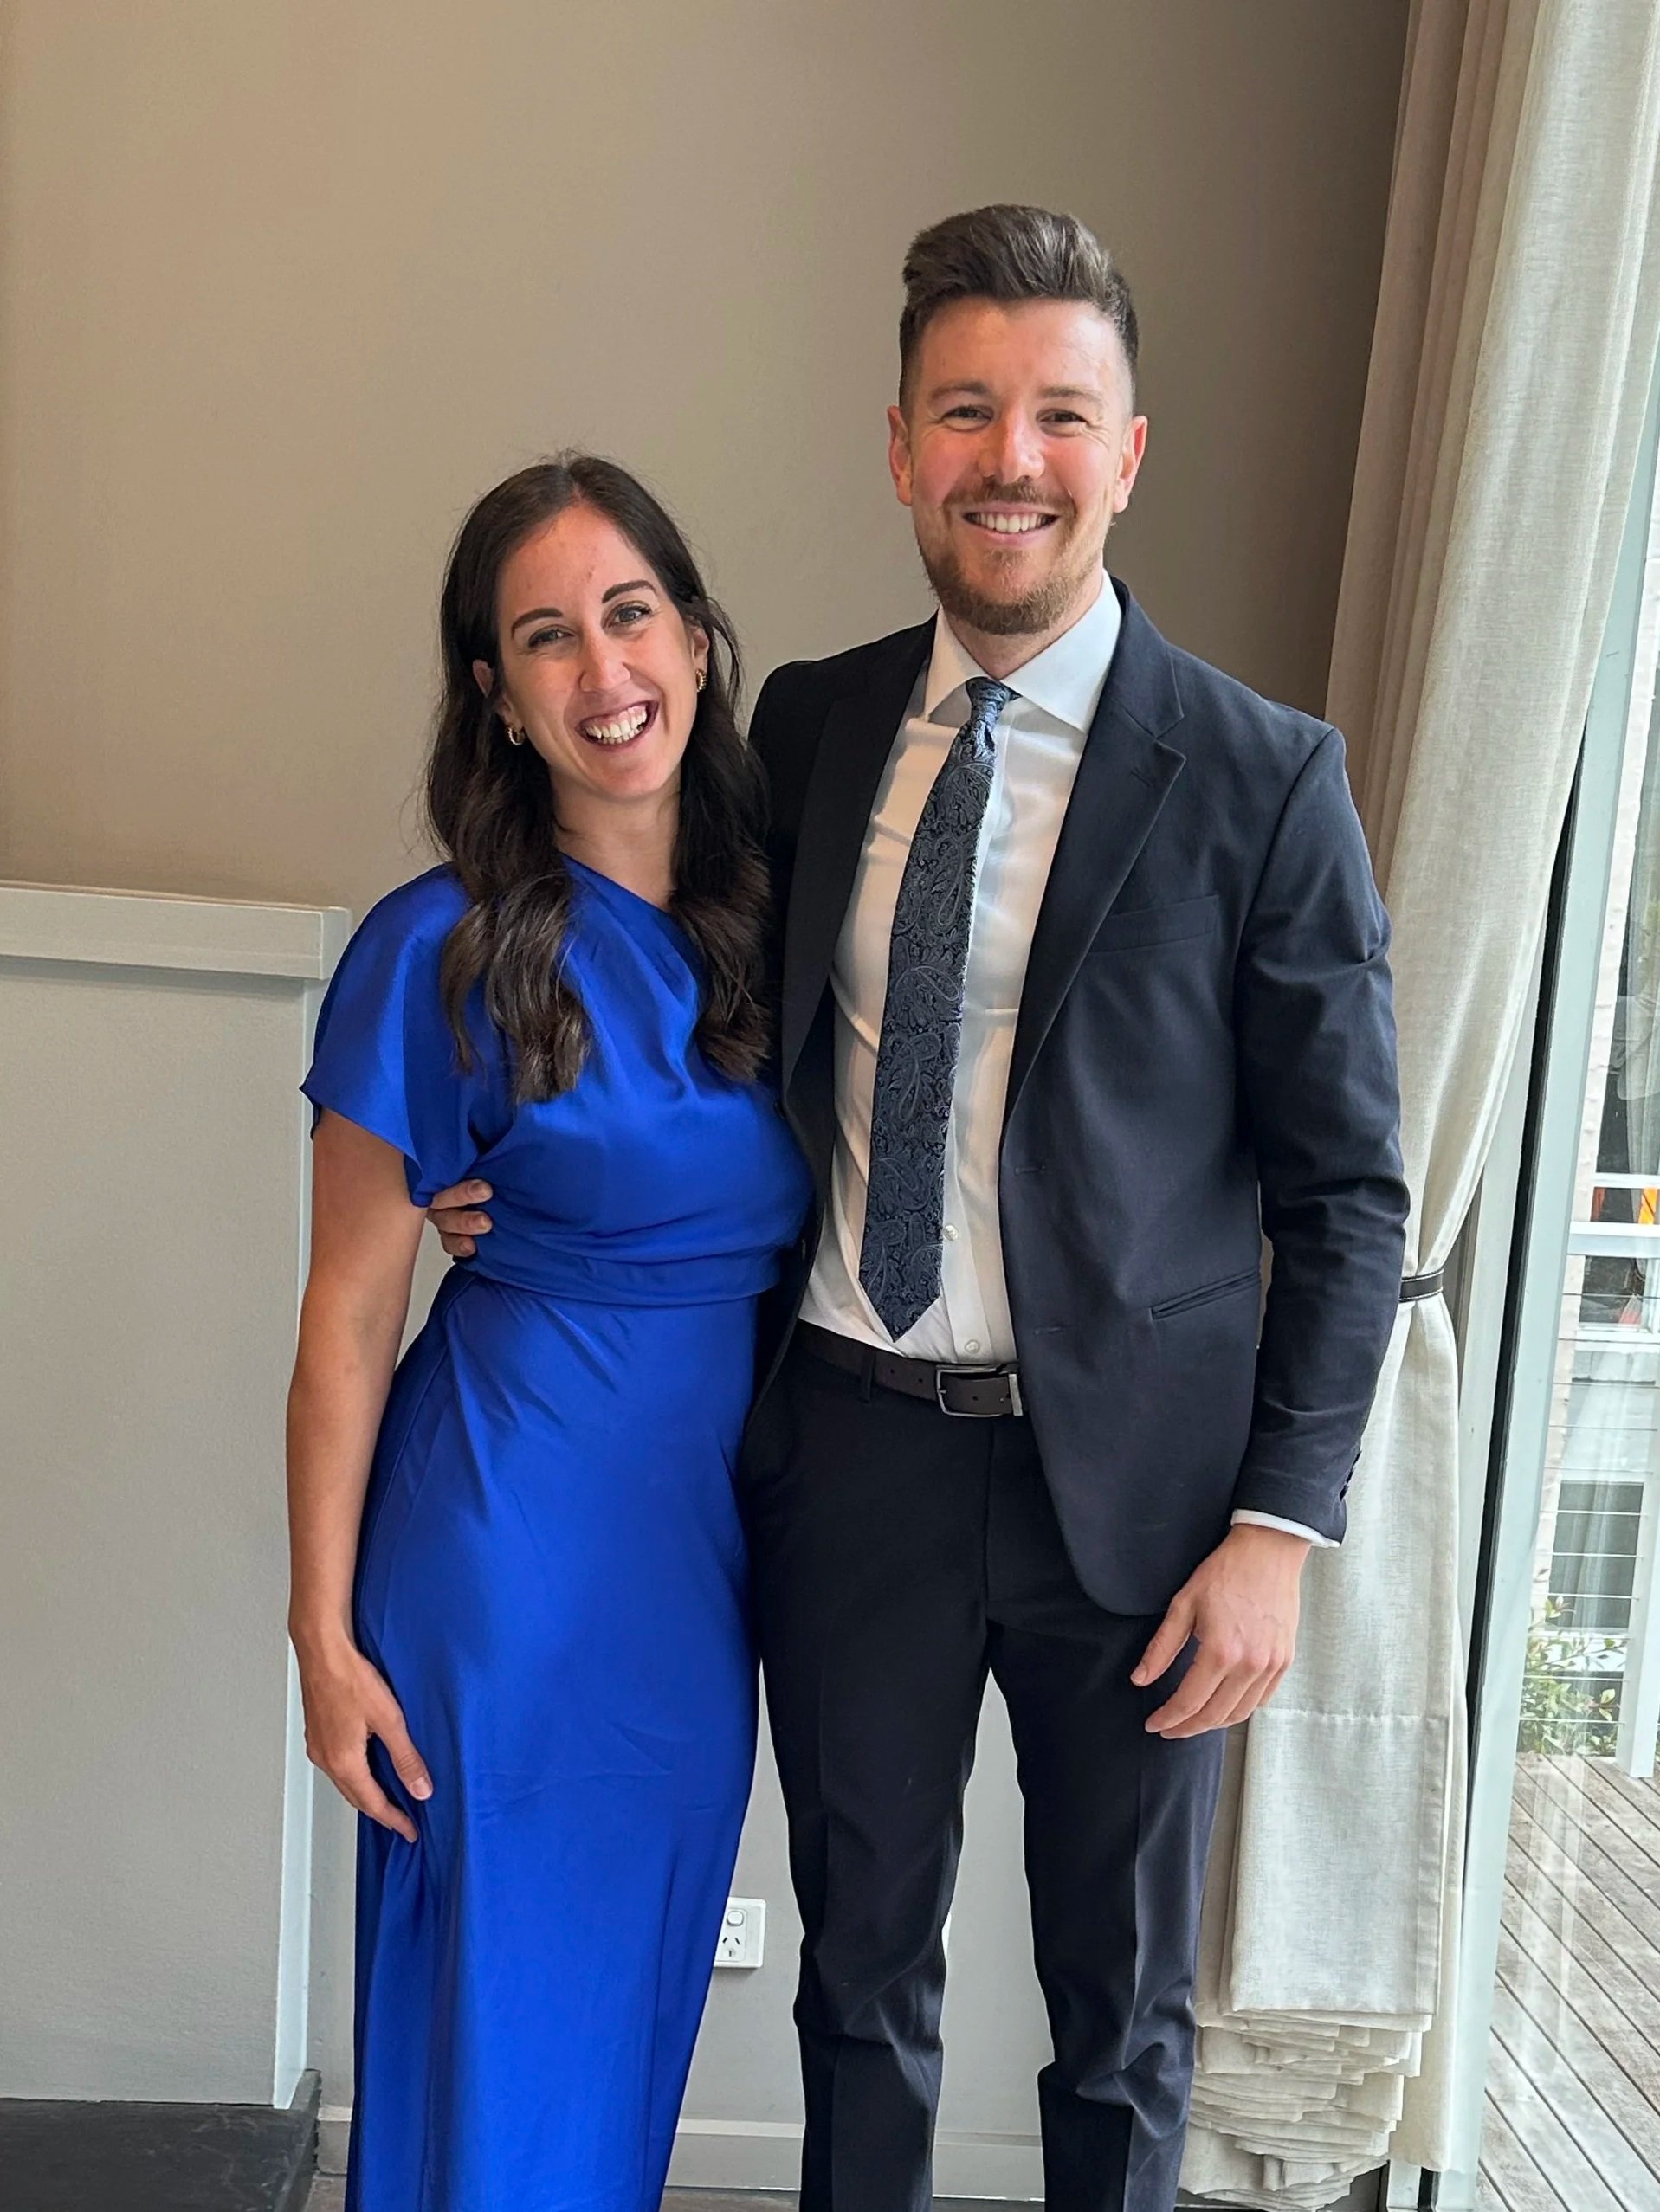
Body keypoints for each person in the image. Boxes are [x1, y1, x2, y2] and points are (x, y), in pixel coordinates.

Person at [429, 206, 1409, 2212]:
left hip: (1138, 1505)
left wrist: (1277, 1533)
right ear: (898, 448)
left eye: (1057, 413)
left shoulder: (1263, 780)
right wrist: (525, 1161)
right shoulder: (805, 724)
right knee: (857, 1984)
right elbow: (671, 974)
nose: (1007, 458)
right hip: (849, 1455)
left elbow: (1347, 1197)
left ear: (1125, 451)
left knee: (1119, 2018)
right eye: (963, 411)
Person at [285, 455, 811, 2212]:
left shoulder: (785, 926)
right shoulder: (432, 949)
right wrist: (320, 1639)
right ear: (496, 698)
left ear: (697, 638)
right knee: (490, 2026)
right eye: (546, 637)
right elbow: (348, 1316)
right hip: (499, 1548)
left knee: (618, 2027)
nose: (605, 670)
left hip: (696, 1570)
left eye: (630, 613)